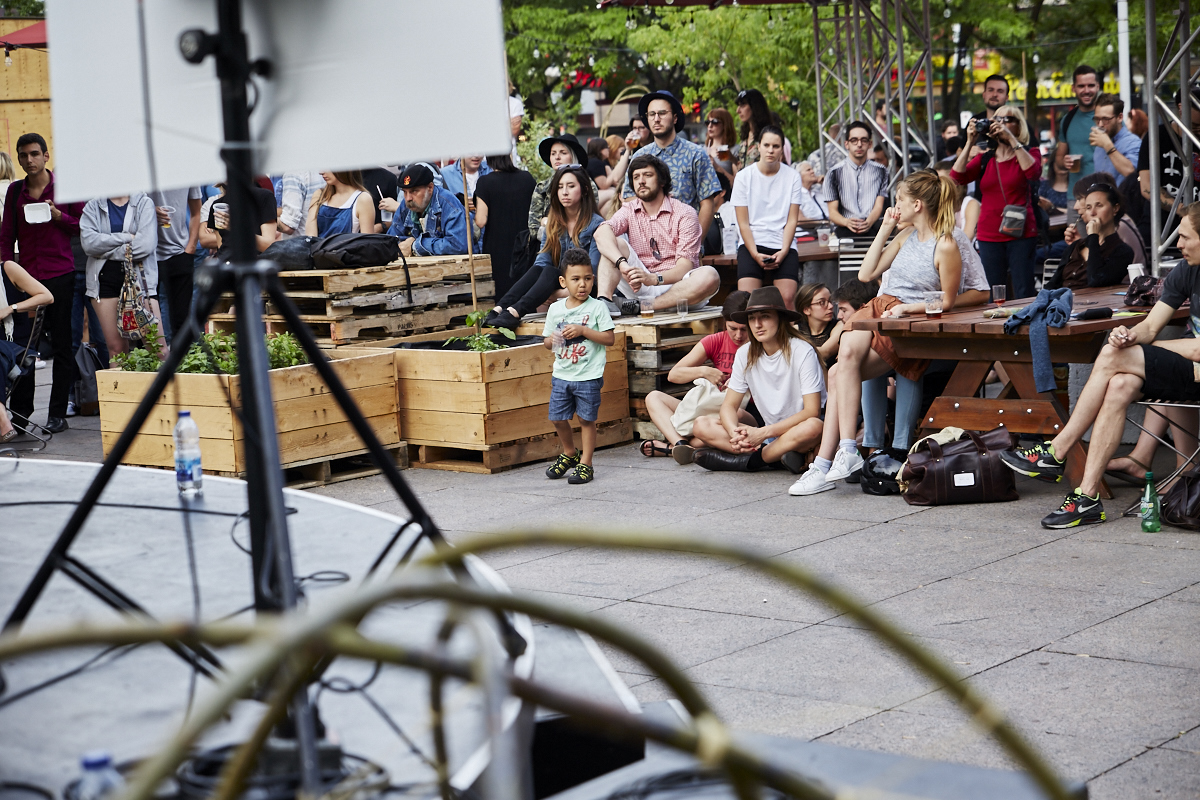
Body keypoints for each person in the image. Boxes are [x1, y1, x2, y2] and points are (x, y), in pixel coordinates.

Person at [1000, 204, 1200, 528]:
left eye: (1187, 237)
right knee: (1119, 381)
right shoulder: (1187, 269)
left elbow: (1196, 347)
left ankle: (1058, 448)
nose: (1178, 244)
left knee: (1113, 355)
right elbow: (1150, 327)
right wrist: (1130, 336)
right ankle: (1088, 497)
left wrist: (1134, 351)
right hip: (1184, 369)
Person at [788, 170, 963, 496]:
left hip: (906, 321)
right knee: (843, 361)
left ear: (917, 204)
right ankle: (842, 454)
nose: (894, 206)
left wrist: (907, 309)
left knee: (841, 368)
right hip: (880, 309)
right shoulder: (904, 234)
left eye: (898, 200)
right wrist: (884, 228)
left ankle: (829, 461)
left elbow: (948, 300)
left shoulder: (946, 243)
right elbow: (867, 272)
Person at [0, 133, 85, 434]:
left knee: (63, 344)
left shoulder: (65, 188)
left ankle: (58, 413)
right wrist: (8, 271)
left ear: (46, 156)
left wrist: (59, 215)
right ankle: (22, 416)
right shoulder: (14, 191)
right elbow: (6, 236)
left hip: (61, 275)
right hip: (27, 280)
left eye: (34, 154)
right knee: (24, 348)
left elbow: (82, 227)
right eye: (23, 155)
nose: (28, 160)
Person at [690, 286, 825, 473]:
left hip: (798, 433)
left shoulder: (802, 351)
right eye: (752, 318)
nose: (757, 324)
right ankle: (778, 458)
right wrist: (733, 433)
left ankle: (749, 462)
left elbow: (812, 411)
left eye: (765, 316)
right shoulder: (744, 353)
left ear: (781, 318)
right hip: (768, 437)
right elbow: (729, 406)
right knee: (701, 425)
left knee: (813, 426)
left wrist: (762, 433)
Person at [596, 155, 720, 315]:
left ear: (662, 181)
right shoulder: (629, 209)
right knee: (612, 243)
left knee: (710, 276)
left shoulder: (685, 213)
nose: (641, 181)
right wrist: (623, 265)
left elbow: (684, 267)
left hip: (681, 288)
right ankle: (605, 302)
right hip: (639, 284)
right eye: (636, 177)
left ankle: (643, 307)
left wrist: (654, 278)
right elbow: (601, 233)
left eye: (647, 175)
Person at [485, 165, 604, 329]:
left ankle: (515, 311)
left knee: (550, 271)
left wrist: (559, 292)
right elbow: (542, 263)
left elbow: (594, 271)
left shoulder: (596, 224)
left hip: (587, 286)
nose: (564, 192)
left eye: (571, 186)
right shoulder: (554, 223)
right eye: (560, 187)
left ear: (584, 190)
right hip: (560, 282)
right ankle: (501, 308)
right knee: (542, 268)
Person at [640, 291, 752, 463]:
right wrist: (704, 371)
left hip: (741, 412)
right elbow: (674, 375)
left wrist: (743, 382)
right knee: (653, 397)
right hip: (707, 406)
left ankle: (674, 449)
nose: (738, 335)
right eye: (733, 329)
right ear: (724, 324)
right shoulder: (715, 340)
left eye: (744, 330)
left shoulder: (759, 344)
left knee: (707, 430)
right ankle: (681, 444)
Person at [542, 247, 616, 486]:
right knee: (557, 418)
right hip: (562, 374)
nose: (582, 285)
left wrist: (584, 330)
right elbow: (547, 343)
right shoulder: (556, 309)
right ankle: (569, 452)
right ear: (564, 281)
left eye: (587, 278)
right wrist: (552, 340)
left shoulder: (597, 308)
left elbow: (609, 339)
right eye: (575, 280)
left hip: (588, 375)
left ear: (593, 279)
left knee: (586, 420)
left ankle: (586, 463)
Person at [951, 105, 1041, 299]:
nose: (1000, 124)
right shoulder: (986, 159)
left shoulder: (1029, 152)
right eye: (996, 119)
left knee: (1023, 289)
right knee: (994, 292)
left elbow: (1033, 173)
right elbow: (956, 177)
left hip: (1021, 232)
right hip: (989, 234)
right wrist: (969, 142)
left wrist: (1011, 139)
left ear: (1018, 125)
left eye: (1007, 120)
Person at [630, 90, 723, 241]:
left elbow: (707, 202)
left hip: (686, 239)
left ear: (674, 118)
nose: (656, 119)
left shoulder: (696, 154)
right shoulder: (639, 156)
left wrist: (695, 242)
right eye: (651, 114)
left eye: (662, 113)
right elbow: (629, 198)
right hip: (648, 243)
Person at [80, 193, 163, 358]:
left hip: (140, 281)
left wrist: (105, 251)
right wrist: (126, 238)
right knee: (116, 350)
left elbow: (145, 245)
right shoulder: (93, 205)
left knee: (157, 348)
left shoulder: (143, 203)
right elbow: (89, 244)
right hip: (104, 281)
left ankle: (161, 384)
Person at [731, 126, 803, 308]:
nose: (771, 150)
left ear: (782, 148)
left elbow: (792, 220)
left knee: (787, 298)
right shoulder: (743, 177)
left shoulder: (793, 176)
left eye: (776, 146)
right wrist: (755, 254)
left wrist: (785, 250)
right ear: (759, 146)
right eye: (767, 145)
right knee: (747, 300)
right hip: (752, 242)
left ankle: (790, 335)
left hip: (783, 242)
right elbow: (743, 224)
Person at [1135, 84, 1200, 245]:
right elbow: (1146, 187)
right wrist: (1182, 210)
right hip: (1160, 230)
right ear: (1181, 108)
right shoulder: (1157, 137)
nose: (1198, 131)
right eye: (1195, 126)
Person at [0, 258, 53, 443]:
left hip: (14, 345)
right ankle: (2, 418)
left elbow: (46, 296)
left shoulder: (7, 268)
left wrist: (11, 308)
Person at [1045, 184, 1133, 290]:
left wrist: (1093, 236)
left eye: (1099, 205)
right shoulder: (1076, 246)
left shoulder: (1123, 251)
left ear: (1115, 208)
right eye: (1088, 207)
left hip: (1092, 304)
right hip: (1062, 302)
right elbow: (1053, 284)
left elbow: (1095, 280)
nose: (1092, 212)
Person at [473, 153, 536, 301]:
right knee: (524, 292)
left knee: (502, 297)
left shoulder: (485, 182)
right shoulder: (527, 178)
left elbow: (481, 221)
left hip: (498, 248)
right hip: (524, 246)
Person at [148, 187, 202, 342]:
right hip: (146, 254)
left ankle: (182, 363)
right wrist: (148, 211)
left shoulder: (186, 169)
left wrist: (190, 248)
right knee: (145, 321)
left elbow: (197, 211)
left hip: (180, 252)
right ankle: (153, 365)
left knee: (182, 320)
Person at [387, 164, 469, 257]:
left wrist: (415, 245)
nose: (408, 198)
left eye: (414, 191)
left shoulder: (449, 204)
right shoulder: (405, 204)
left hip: (455, 269)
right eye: (405, 192)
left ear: (430, 188)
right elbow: (391, 240)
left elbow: (457, 245)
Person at [824, 121, 889, 240]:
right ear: (846, 144)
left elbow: (879, 206)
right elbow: (832, 212)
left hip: (873, 227)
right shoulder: (833, 173)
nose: (859, 144)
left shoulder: (881, 171)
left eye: (864, 140)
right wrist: (847, 222)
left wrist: (868, 222)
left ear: (870, 144)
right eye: (854, 140)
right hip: (844, 229)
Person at [528, 134, 600, 238]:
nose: (557, 157)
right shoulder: (542, 187)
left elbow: (588, 221)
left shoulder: (587, 184)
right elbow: (533, 229)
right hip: (548, 247)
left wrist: (546, 222)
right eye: (553, 153)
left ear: (573, 156)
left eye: (563, 153)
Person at [198, 181, 278, 259]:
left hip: (254, 264)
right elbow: (222, 247)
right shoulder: (218, 205)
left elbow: (268, 246)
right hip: (227, 265)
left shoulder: (264, 197)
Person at [1055, 65, 1102, 194]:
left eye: (1091, 85)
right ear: (1073, 88)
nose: (1086, 90)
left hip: (1105, 195)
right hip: (1076, 196)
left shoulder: (1108, 117)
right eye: (1081, 86)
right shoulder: (1067, 120)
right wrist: (1064, 162)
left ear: (1098, 87)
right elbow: (1059, 157)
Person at [306, 171, 377, 237]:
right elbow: (311, 237)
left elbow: (367, 244)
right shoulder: (319, 195)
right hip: (317, 249)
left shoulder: (362, 199)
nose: (321, 172)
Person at [1089, 94, 1140, 181]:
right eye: (1097, 119)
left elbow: (1131, 173)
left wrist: (1108, 146)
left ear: (1120, 117)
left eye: (1106, 119)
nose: (1100, 124)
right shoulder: (1099, 147)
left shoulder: (1133, 142)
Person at [794, 282, 842, 367]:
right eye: (822, 302)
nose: (830, 306)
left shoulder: (839, 326)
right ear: (806, 310)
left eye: (830, 301)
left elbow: (825, 352)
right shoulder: (796, 331)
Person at [934, 159, 980, 241]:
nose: (936, 185)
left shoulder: (971, 204)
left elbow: (967, 238)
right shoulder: (936, 205)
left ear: (954, 182)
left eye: (941, 180)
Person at [967, 74, 1010, 158]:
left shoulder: (1015, 122)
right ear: (984, 94)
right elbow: (959, 150)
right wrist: (969, 151)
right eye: (990, 90)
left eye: (1000, 91)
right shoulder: (975, 120)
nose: (994, 94)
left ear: (1007, 97)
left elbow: (1034, 155)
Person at [733, 89, 774, 170]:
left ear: (755, 107)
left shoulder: (769, 134)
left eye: (742, 106)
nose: (738, 110)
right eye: (738, 106)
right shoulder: (746, 134)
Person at [277, 171, 324, 237]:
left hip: (300, 242)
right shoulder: (325, 170)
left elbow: (288, 226)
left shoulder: (293, 173)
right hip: (323, 241)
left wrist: (263, 220)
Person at [705, 108, 740, 188]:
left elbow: (736, 185)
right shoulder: (702, 149)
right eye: (708, 122)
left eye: (715, 122)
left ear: (725, 125)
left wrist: (717, 167)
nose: (710, 126)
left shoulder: (734, 150)